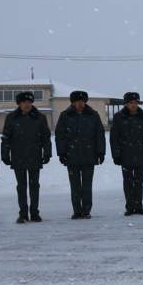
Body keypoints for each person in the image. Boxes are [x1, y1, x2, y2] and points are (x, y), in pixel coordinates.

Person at [1, 91, 52, 223]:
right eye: (24, 102)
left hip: (35, 156)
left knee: (34, 185)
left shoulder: (40, 117)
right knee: (21, 186)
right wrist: (5, 154)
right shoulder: (11, 118)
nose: (27, 104)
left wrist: (47, 153)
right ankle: (23, 213)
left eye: (29, 102)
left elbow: (46, 138)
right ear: (19, 103)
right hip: (18, 157)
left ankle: (34, 213)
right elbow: (6, 138)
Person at [55, 90, 106, 219]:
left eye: (82, 101)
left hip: (89, 156)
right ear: (72, 102)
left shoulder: (93, 115)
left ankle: (86, 210)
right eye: (77, 101)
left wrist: (100, 152)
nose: (80, 104)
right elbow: (60, 136)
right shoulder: (65, 116)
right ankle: (77, 211)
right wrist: (61, 153)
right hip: (72, 157)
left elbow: (99, 135)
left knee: (87, 186)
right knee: (75, 186)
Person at [110, 92, 143, 216]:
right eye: (131, 103)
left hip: (141, 154)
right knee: (128, 182)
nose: (133, 105)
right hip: (125, 155)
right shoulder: (119, 117)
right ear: (126, 104)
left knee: (139, 183)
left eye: (135, 102)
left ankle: (139, 206)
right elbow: (114, 138)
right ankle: (130, 206)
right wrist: (116, 155)